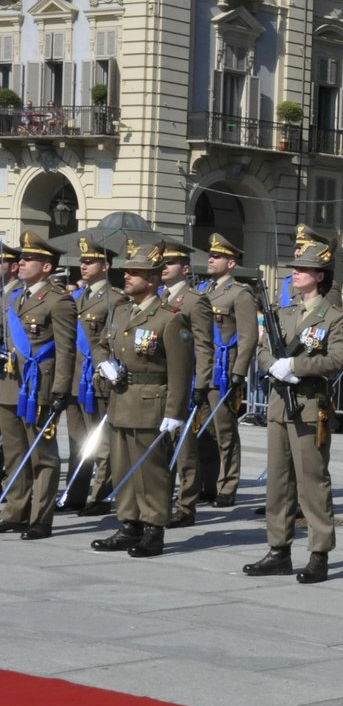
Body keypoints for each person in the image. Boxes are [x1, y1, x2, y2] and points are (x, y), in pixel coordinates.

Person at [240, 230, 343, 584]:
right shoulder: (283, 314)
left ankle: (319, 553)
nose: (295, 272)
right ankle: (278, 549)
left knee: (312, 483)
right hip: (277, 405)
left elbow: (335, 360)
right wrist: (272, 364)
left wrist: (295, 367)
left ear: (320, 275)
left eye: (304, 268)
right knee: (279, 482)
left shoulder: (333, 317)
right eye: (295, 267)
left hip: (308, 405)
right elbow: (263, 348)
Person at [89, 237, 192, 558]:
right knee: (122, 467)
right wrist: (102, 362)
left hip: (152, 402)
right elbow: (101, 343)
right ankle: (128, 524)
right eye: (127, 271)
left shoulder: (170, 317)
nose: (127, 277)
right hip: (121, 399)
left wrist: (175, 411)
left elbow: (181, 370)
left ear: (153, 278)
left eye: (135, 272)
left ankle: (153, 529)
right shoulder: (121, 312)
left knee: (151, 471)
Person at [0, 230, 77, 538]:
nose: (22, 262)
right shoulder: (16, 298)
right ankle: (16, 511)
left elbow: (66, 349)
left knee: (42, 455)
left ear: (47, 266)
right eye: (22, 258)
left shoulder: (59, 301)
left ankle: (40, 518)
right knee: (15, 452)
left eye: (30, 259)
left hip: (39, 387)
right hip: (9, 382)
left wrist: (60, 389)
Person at [63, 237, 124, 515]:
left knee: (101, 443)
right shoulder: (76, 297)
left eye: (90, 262)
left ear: (106, 266)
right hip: (75, 378)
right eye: (83, 261)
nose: (83, 266)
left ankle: (100, 496)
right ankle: (74, 494)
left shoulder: (115, 298)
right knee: (77, 441)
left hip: (97, 378)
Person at [197, 234, 259, 508]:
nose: (211, 259)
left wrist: (239, 372)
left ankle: (227, 486)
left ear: (231, 263)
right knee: (205, 434)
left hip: (224, 372)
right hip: (202, 370)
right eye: (211, 255)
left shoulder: (239, 293)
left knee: (225, 434)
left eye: (217, 256)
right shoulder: (204, 290)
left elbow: (248, 335)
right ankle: (207, 485)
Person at [158, 241, 214, 530]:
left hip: (187, 383)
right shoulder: (158, 298)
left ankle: (185, 505)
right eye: (162, 263)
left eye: (170, 263)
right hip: (160, 383)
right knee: (162, 447)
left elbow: (204, 346)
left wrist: (201, 384)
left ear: (185, 268)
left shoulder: (195, 300)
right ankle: (160, 502)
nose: (164, 267)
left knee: (184, 448)